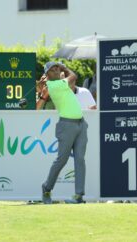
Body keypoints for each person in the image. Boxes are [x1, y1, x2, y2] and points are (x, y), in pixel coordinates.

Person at [39, 61, 88, 204]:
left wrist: (61, 69)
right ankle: (46, 188)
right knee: (62, 159)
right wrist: (64, 67)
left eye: (56, 69)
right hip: (66, 125)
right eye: (52, 70)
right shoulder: (53, 85)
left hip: (81, 124)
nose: (56, 71)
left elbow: (72, 82)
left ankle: (79, 195)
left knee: (80, 160)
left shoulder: (61, 83)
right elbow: (73, 76)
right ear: (47, 75)